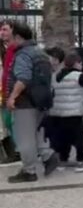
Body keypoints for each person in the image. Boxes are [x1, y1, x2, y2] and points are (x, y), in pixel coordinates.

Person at [6, 21, 58, 183]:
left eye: (11, 36)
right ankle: (48, 156)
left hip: (25, 103)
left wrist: (12, 97)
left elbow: (23, 78)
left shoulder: (23, 55)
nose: (8, 40)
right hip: (40, 101)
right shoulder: (40, 53)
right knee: (33, 134)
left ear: (18, 37)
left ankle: (29, 171)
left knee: (24, 139)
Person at [0, 20, 19, 164]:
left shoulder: (16, 48)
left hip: (13, 89)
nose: (2, 33)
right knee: (6, 122)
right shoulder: (3, 48)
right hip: (4, 90)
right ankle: (13, 152)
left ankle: (17, 151)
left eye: (5, 29)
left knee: (11, 122)